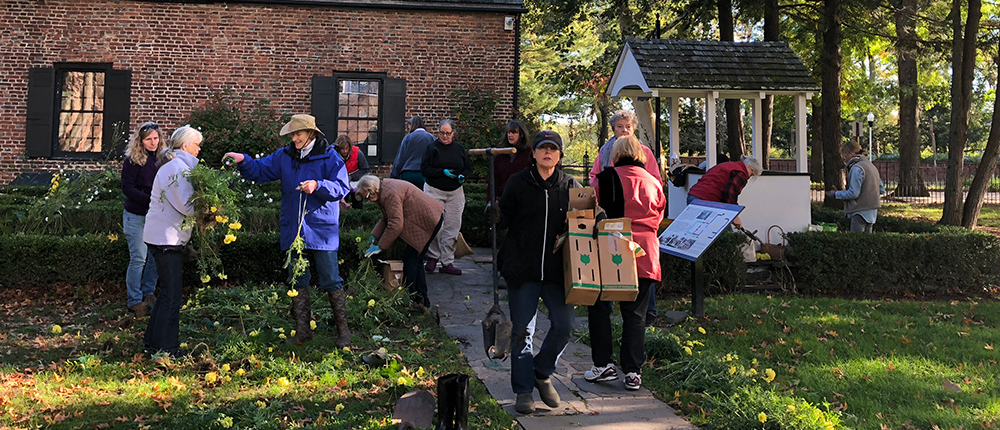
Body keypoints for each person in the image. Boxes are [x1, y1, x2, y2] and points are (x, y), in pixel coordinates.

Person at [223, 114, 353, 347]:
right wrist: (243, 160)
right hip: (294, 227)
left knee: (331, 278)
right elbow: (260, 170)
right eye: (292, 134)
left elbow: (342, 187)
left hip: (321, 228)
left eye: (297, 134)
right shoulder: (284, 156)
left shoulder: (330, 157)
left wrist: (318, 185)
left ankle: (344, 332)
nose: (294, 138)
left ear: (311, 134)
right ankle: (303, 330)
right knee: (296, 278)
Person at [490, 130, 579, 414]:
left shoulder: (570, 186)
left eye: (553, 149)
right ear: (535, 153)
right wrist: (495, 214)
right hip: (522, 269)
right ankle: (524, 391)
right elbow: (504, 217)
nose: (547, 153)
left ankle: (541, 371)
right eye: (543, 148)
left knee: (565, 326)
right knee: (521, 333)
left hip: (556, 272)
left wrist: (599, 218)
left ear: (560, 155)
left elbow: (589, 213)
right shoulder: (519, 182)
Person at [587, 136, 666, 391]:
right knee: (636, 315)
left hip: (613, 249)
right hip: (645, 252)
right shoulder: (654, 182)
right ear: (641, 155)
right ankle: (633, 372)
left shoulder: (605, 178)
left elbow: (592, 211)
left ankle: (603, 364)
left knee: (600, 307)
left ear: (616, 154)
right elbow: (659, 215)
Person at [142, 125, 202, 357]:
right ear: (186, 146)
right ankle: (168, 349)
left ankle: (153, 343)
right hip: (166, 239)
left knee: (167, 292)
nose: (199, 150)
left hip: (164, 237)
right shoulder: (178, 168)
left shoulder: (175, 165)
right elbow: (186, 206)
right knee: (172, 295)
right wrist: (206, 207)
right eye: (197, 145)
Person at [356, 175, 444, 308]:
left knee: (411, 260)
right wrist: (373, 236)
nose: (368, 201)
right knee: (415, 260)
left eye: (368, 197)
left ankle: (413, 298)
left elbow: (396, 224)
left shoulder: (389, 194)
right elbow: (386, 218)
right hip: (427, 219)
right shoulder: (384, 190)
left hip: (428, 221)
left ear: (372, 190)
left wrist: (380, 246)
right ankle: (421, 299)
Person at [121, 121, 165, 317]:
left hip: (156, 216)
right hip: (136, 215)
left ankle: (149, 293)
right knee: (139, 257)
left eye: (156, 138)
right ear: (141, 141)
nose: (153, 142)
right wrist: (150, 200)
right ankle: (134, 299)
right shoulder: (133, 160)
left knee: (155, 257)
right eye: (149, 139)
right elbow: (127, 188)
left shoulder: (164, 159)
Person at [421, 119, 472, 276]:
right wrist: (442, 172)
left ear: (453, 133)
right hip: (434, 190)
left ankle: (447, 262)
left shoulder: (459, 149)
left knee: (452, 226)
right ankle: (432, 257)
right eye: (442, 133)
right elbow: (425, 169)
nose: (445, 136)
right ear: (438, 133)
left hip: (454, 192)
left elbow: (468, 167)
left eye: (448, 133)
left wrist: (463, 175)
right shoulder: (432, 148)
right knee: (435, 225)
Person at [588, 110, 662, 186]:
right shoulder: (604, 150)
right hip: (611, 194)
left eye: (628, 126)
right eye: (619, 126)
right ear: (613, 129)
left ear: (634, 129)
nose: (624, 130)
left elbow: (655, 179)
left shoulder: (644, 151)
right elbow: (594, 176)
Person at [686, 156, 763, 229]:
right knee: (724, 233)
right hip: (707, 200)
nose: (749, 177)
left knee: (698, 231)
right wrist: (734, 216)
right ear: (749, 167)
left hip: (693, 196)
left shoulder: (728, 165)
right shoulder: (740, 173)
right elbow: (730, 194)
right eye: (752, 174)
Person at [827, 140, 882, 232]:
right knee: (868, 243)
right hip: (872, 212)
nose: (845, 161)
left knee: (857, 241)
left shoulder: (857, 168)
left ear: (851, 154)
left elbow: (854, 193)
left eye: (845, 157)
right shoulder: (871, 166)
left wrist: (836, 194)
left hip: (859, 211)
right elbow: (881, 189)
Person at [491, 120, 533, 201]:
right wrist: (492, 199)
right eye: (509, 132)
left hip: (524, 198)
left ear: (521, 135)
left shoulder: (529, 153)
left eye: (514, 133)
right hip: (504, 198)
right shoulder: (501, 153)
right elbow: (494, 178)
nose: (510, 135)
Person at [391, 116, 436, 189]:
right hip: (424, 174)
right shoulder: (431, 138)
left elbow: (400, 158)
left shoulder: (408, 138)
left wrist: (394, 176)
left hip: (408, 174)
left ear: (412, 126)